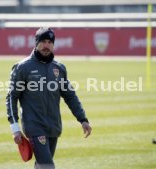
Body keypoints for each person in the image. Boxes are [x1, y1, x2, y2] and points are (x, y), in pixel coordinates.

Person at [6, 27, 92, 169]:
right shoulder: (22, 67)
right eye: (43, 41)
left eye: (50, 42)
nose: (47, 45)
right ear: (36, 43)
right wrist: (15, 128)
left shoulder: (59, 68)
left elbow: (70, 96)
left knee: (41, 166)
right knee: (47, 166)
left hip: (53, 127)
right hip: (34, 126)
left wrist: (82, 119)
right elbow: (11, 98)